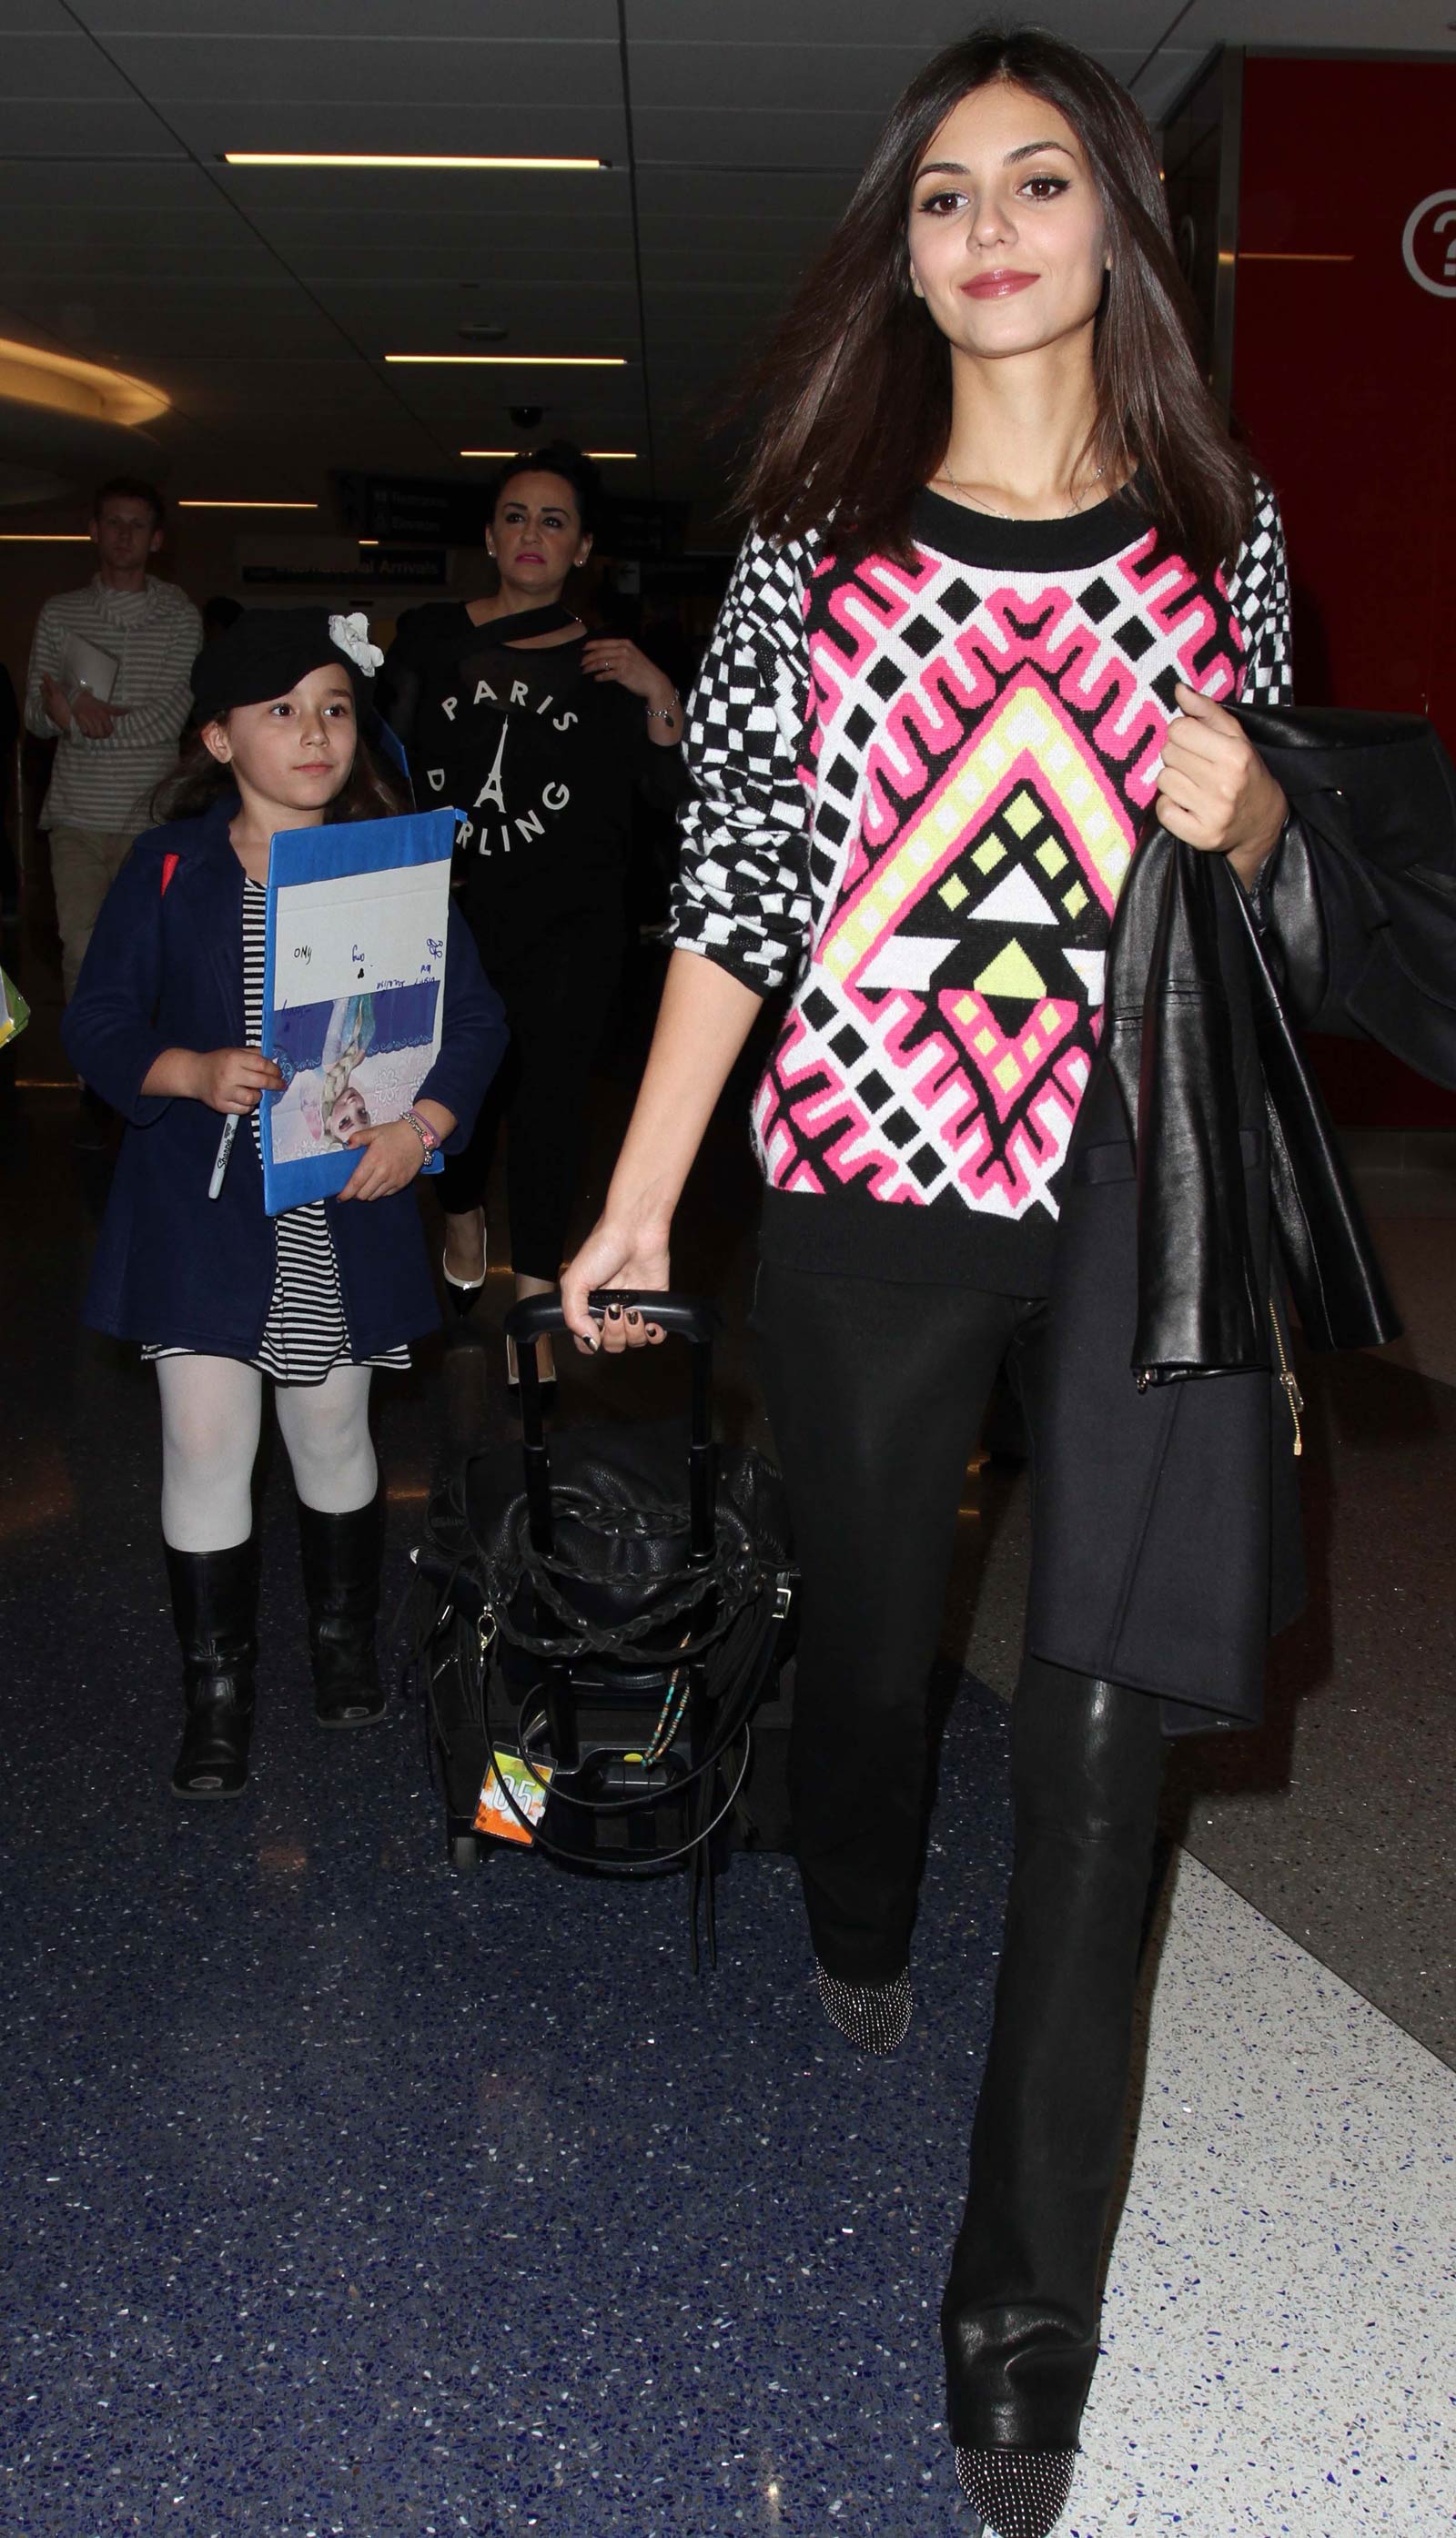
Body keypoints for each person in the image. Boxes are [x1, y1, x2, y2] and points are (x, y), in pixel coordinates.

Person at [562, 31, 1299, 2537]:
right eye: (943, 194)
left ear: (1121, 227)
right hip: (868, 1188)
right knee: (873, 1644)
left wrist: (1269, 807)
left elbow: (1293, 892)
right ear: (903, 247)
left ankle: (1019, 2329)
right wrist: (649, 1190)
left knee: (1108, 1766)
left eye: (1042, 179)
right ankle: (850, 1870)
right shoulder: (813, 550)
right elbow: (744, 884)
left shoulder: (1228, 529)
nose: (988, 226)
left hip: (1144, 1200)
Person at [63, 609, 506, 1804]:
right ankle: (216, 1693)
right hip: (200, 1210)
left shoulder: (394, 873)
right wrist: (189, 1072)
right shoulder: (169, 870)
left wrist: (420, 1133)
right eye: (279, 711)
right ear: (216, 739)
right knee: (206, 1443)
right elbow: (97, 1023)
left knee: (331, 1434)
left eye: (333, 707)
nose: (312, 732)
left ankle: (341, 1639)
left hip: (338, 1208)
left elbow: (473, 1023)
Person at [379, 443, 684, 1397]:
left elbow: (671, 801)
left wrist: (661, 699)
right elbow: (379, 766)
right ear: (488, 534)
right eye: (516, 515)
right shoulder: (429, 637)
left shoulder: (613, 662)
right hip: (450, 921)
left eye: (554, 520)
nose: (532, 535)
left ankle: (537, 1300)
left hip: (573, 925)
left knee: (551, 1110)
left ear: (583, 547)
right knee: (459, 1104)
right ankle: (462, 1204)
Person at [24, 478, 201, 1003]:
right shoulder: (60, 614)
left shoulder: (179, 618)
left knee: (145, 947)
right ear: (94, 533)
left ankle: (138, 1062)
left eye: (137, 525)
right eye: (114, 524)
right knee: (80, 948)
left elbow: (171, 719)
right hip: (75, 815)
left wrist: (82, 718)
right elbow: (37, 716)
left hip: (149, 815)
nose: (125, 535)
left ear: (156, 540)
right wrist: (66, 715)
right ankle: (91, 1074)